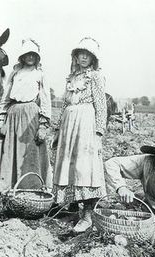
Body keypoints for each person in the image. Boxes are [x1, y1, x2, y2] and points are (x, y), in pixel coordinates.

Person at [52, 37, 107, 233]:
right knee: (69, 166)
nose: (83, 57)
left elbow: (101, 105)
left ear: (93, 58)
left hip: (86, 125)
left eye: (87, 54)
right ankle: (72, 208)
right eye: (80, 54)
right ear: (75, 56)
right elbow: (66, 105)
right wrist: (58, 130)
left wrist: (99, 133)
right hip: (69, 124)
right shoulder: (71, 78)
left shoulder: (95, 77)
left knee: (85, 168)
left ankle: (88, 215)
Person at [0, 39, 52, 193]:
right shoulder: (15, 73)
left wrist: (43, 125)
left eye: (33, 54)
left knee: (30, 152)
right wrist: (1, 120)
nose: (30, 57)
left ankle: (32, 189)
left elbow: (45, 99)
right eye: (27, 54)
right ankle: (7, 190)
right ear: (22, 57)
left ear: (36, 57)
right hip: (13, 115)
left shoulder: (40, 74)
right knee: (9, 152)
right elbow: (5, 98)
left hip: (31, 115)